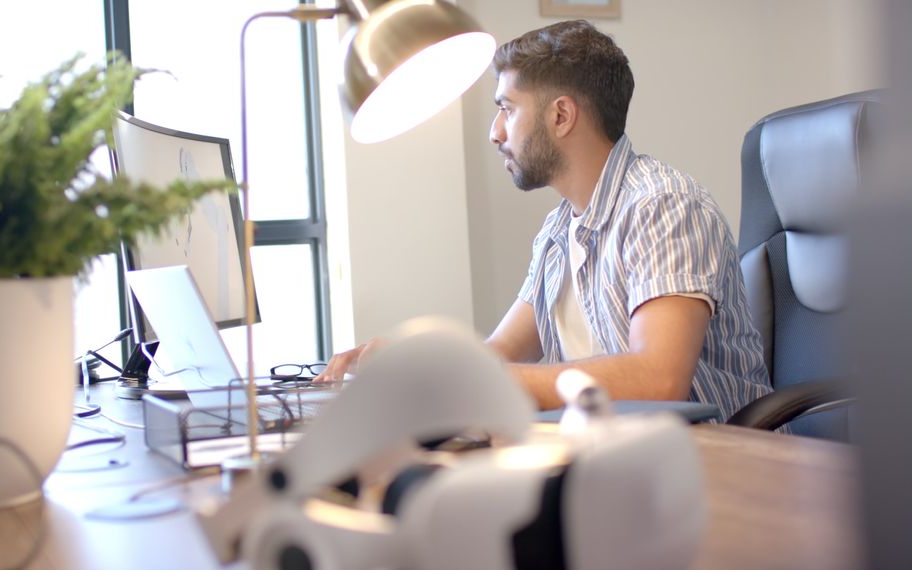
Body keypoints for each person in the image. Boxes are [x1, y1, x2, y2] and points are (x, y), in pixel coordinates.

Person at [316, 20, 772, 422]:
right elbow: (499, 353)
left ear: (561, 115)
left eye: (507, 109)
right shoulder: (559, 231)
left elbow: (658, 379)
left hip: (713, 469)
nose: (495, 132)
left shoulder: (662, 206)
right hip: (613, 462)